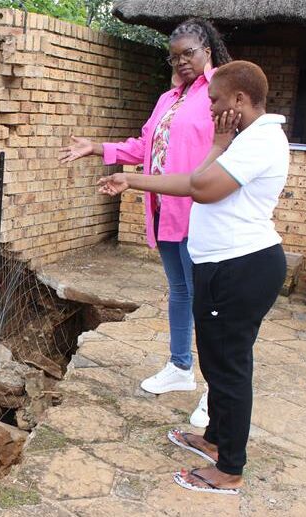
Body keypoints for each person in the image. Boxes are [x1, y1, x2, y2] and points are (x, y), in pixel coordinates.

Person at [97, 60, 289, 494]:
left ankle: (230, 468)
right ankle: (217, 439)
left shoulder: (262, 140)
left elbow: (201, 188)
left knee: (229, 368)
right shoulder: (243, 139)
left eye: (216, 101)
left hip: (241, 266)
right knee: (216, 359)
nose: (211, 108)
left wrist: (137, 179)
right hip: (225, 265)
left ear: (239, 100)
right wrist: (217, 144)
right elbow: (201, 177)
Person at [60, 18, 232, 427]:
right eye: (175, 56)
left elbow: (230, 149)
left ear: (207, 49)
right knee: (179, 292)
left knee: (208, 303)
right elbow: (144, 145)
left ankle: (218, 388)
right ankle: (179, 367)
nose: (182, 61)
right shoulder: (169, 98)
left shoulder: (220, 93)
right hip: (164, 208)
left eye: (188, 52)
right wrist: (98, 147)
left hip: (200, 211)